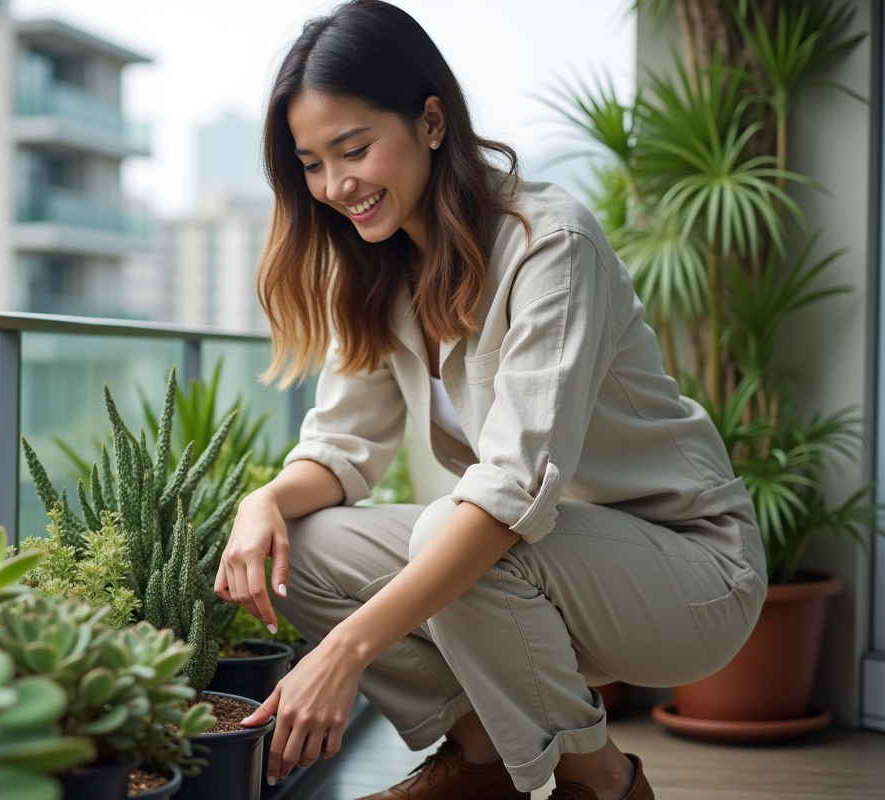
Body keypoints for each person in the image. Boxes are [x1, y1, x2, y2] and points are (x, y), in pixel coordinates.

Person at [219, 3, 767, 799]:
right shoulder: (378, 272)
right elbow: (343, 451)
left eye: (354, 148)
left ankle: (603, 783)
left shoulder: (552, 243)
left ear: (433, 122)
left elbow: (511, 495)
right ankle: (478, 758)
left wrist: (345, 651)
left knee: (460, 529)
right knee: (298, 547)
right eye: (311, 163)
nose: (335, 187)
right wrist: (263, 500)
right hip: (545, 569)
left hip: (688, 572)